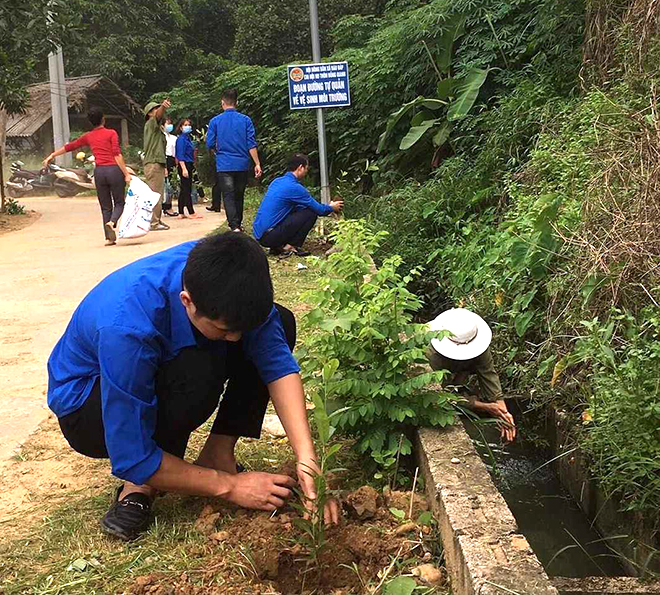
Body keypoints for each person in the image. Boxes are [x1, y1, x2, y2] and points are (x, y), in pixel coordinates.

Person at [47, 233, 340, 541]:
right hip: (89, 409)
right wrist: (230, 486)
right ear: (187, 301)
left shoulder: (229, 271)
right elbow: (130, 453)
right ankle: (140, 484)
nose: (236, 340)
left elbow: (277, 366)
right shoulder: (128, 327)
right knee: (197, 368)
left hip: (152, 364)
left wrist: (307, 460)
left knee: (278, 321)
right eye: (226, 330)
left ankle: (217, 453)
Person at [44, 108, 132, 246]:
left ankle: (109, 238)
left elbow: (70, 147)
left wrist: (53, 155)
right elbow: (116, 154)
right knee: (119, 202)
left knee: (105, 207)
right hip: (114, 170)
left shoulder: (89, 136)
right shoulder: (111, 133)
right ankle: (112, 222)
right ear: (103, 119)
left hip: (99, 172)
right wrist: (126, 174)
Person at [426, 308, 517, 443]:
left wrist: (503, 412)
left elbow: (488, 373)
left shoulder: (476, 341)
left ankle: (460, 387)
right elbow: (440, 397)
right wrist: (484, 406)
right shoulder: (431, 354)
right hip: (434, 373)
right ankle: (461, 391)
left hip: (459, 369)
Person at [253, 154, 344, 257]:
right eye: (306, 168)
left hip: (260, 234)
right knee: (311, 213)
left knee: (300, 210)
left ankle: (277, 246)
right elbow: (319, 210)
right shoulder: (295, 187)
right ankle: (290, 246)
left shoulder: (276, 181)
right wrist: (332, 207)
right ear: (300, 167)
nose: (306, 172)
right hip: (269, 236)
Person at [206, 89, 262, 231]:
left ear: (222, 103)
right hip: (242, 164)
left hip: (224, 165)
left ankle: (234, 226)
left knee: (228, 195)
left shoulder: (215, 121)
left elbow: (210, 143)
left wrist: (217, 153)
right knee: (239, 194)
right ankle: (238, 222)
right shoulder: (245, 120)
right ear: (237, 103)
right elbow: (251, 144)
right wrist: (257, 163)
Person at [143, 99, 172, 231]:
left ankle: (157, 220)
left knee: (158, 194)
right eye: (154, 109)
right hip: (153, 163)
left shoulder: (156, 128)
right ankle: (154, 223)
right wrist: (163, 107)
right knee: (155, 195)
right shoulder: (151, 123)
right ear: (149, 114)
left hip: (156, 163)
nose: (157, 111)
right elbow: (159, 115)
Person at [174, 118, 202, 219]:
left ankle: (181, 212)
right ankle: (191, 212)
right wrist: (184, 168)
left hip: (189, 164)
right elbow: (180, 155)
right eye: (185, 125)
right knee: (187, 189)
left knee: (184, 189)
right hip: (184, 164)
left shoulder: (187, 138)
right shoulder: (181, 139)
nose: (187, 126)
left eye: (188, 124)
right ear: (181, 127)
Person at [162, 117, 178, 217]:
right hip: (165, 159)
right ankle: (165, 206)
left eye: (170, 123)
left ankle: (169, 206)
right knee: (165, 186)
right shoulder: (161, 137)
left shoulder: (174, 138)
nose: (169, 125)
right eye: (167, 124)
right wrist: (164, 167)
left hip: (172, 159)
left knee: (171, 185)